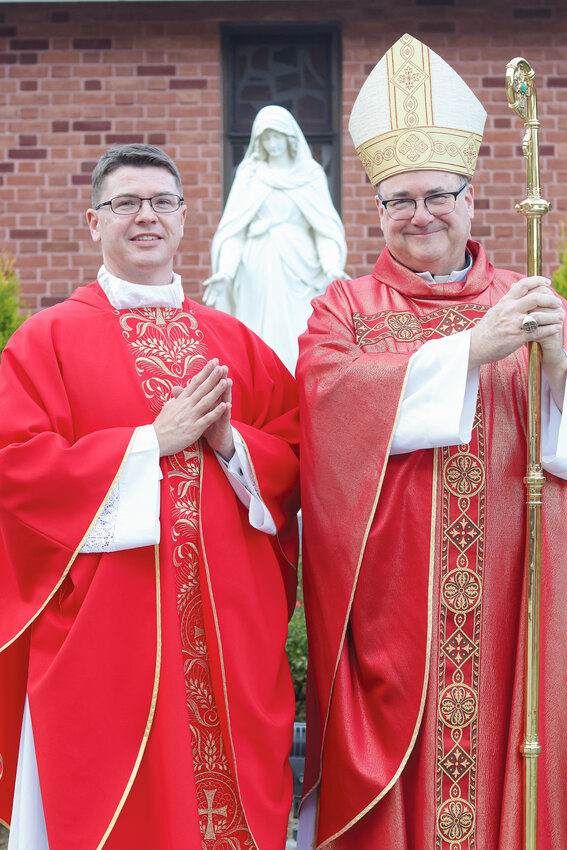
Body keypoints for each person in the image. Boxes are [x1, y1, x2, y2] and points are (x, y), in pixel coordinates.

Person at [296, 34, 567, 850]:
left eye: (436, 195)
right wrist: (470, 351)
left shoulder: (529, 299)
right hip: (396, 607)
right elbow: (328, 405)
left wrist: (557, 368)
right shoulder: (342, 306)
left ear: (471, 195)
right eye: (396, 199)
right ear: (376, 208)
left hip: (516, 588)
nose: (419, 215)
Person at [0, 144, 300, 850]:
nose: (146, 217)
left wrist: (232, 446)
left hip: (230, 631)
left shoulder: (235, 343)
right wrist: (147, 444)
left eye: (161, 202)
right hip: (107, 632)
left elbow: (293, 461)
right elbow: (16, 467)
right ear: (93, 222)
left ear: (184, 219)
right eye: (125, 203)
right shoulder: (47, 341)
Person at [203, 105, 348, 374]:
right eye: (266, 138)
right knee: (258, 333)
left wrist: (331, 268)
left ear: (289, 138)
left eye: (277, 136)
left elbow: (324, 228)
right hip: (256, 268)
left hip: (301, 267)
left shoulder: (310, 175)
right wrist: (225, 272)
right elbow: (235, 230)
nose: (272, 144)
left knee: (298, 329)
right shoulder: (249, 175)